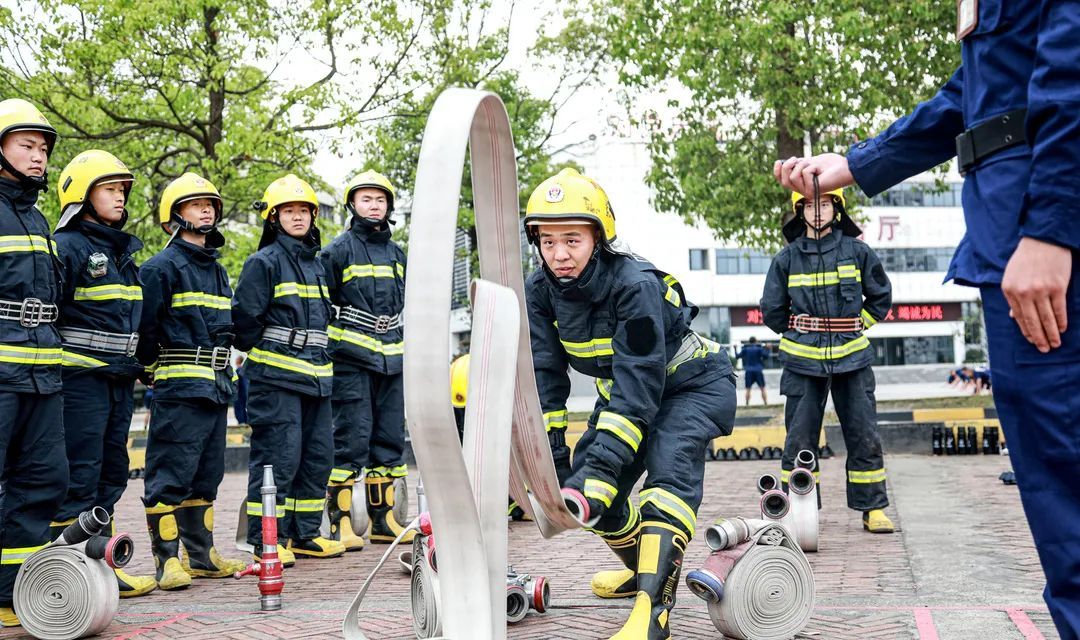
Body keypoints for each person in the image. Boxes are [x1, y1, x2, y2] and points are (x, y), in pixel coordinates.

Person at [774, 3, 1080, 633]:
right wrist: (857, 164)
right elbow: (977, 89)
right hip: (1011, 230)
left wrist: (1054, 224)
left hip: (1040, 232)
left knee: (1065, 464)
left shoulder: (854, 251)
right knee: (1051, 471)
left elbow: (1072, 64)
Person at [524, 168, 737, 639]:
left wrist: (597, 471)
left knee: (664, 484)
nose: (559, 254)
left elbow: (639, 383)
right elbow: (544, 373)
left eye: (572, 240)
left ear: (599, 237)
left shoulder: (634, 284)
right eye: (548, 241)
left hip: (691, 387)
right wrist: (553, 456)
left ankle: (652, 612)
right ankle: (643, 571)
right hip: (627, 393)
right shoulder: (538, 292)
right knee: (594, 490)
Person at [50, 150, 157, 598]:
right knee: (80, 473)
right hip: (79, 383)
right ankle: (65, 574)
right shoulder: (67, 247)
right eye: (109, 189)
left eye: (122, 190)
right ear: (81, 194)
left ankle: (102, 567)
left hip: (116, 381)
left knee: (110, 474)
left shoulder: (120, 251)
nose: (120, 197)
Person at [760, 188, 894, 533]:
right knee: (799, 440)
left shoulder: (858, 251)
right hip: (803, 362)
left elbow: (880, 296)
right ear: (798, 211)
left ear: (836, 209)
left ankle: (873, 508)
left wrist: (856, 325)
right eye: (809, 205)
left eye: (824, 204)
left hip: (853, 358)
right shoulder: (786, 259)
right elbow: (772, 311)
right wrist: (802, 331)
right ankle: (800, 510)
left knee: (864, 433)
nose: (817, 212)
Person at [136, 172, 246, 591]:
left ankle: (201, 556)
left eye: (211, 205)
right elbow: (145, 331)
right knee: (169, 474)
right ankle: (167, 562)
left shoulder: (216, 271)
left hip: (216, 388)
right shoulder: (160, 268)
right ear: (173, 217)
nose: (206, 210)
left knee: (206, 475)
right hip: (181, 390)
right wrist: (151, 367)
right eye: (196, 203)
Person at [233, 174, 344, 560]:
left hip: (316, 379)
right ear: (273, 217)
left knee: (316, 457)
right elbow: (245, 321)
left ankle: (304, 534)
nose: (298, 218)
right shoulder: (262, 263)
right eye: (289, 211)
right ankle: (267, 539)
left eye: (304, 211)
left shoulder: (316, 266)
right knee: (277, 458)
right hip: (276, 380)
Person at [0, 98, 69, 628]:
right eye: (27, 145)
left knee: (43, 479)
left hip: (43, 374)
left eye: (43, 148)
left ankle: (11, 595)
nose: (38, 156)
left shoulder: (39, 218)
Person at [320, 170, 412, 545]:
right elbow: (321, 307)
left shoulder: (398, 254)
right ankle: (341, 522)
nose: (374, 206)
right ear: (352, 205)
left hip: (392, 360)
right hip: (351, 360)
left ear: (389, 206)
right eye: (366, 200)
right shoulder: (336, 251)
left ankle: (382, 520)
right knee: (350, 441)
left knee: (388, 441)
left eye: (380, 200)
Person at [735, 337, 769, 406]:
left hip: (749, 371)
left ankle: (747, 404)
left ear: (749, 342)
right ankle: (765, 403)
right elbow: (766, 356)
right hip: (758, 370)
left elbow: (737, 356)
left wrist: (735, 348)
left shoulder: (745, 349)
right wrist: (768, 348)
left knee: (748, 388)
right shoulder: (759, 349)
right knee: (762, 388)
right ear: (756, 341)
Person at [233, 352, 249, 426]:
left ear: (238, 360)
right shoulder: (243, 370)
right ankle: (245, 421)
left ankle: (242, 422)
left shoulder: (238, 370)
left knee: (239, 408)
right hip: (243, 393)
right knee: (243, 408)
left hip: (239, 394)